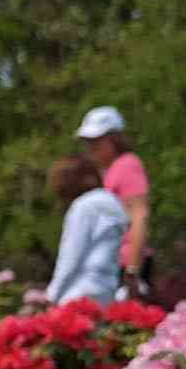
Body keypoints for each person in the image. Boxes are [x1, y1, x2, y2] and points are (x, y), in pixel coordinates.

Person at [75, 106, 151, 295]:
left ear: (114, 139)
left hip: (126, 266)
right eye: (88, 142)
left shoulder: (127, 165)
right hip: (113, 262)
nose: (91, 148)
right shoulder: (112, 169)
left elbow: (140, 215)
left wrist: (133, 269)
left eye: (96, 141)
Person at [46, 154, 129, 306]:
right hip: (106, 288)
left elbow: (71, 255)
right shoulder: (114, 203)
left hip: (78, 289)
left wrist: (53, 294)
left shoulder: (83, 206)